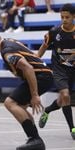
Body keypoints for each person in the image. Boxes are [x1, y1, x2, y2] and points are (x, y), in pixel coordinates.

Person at [0, 22, 53, 150]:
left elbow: (28, 67)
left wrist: (35, 95)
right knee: (20, 107)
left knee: (10, 103)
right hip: (44, 75)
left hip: (41, 77)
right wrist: (41, 54)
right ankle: (34, 139)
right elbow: (33, 58)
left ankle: (35, 139)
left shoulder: (7, 51)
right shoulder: (9, 42)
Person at [37, 3, 75, 139]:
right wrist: (32, 62)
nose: (64, 20)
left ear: (74, 17)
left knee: (62, 100)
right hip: (60, 69)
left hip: (73, 70)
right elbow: (41, 50)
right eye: (62, 17)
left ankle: (47, 110)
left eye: (67, 17)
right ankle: (73, 128)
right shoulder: (54, 32)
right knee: (65, 95)